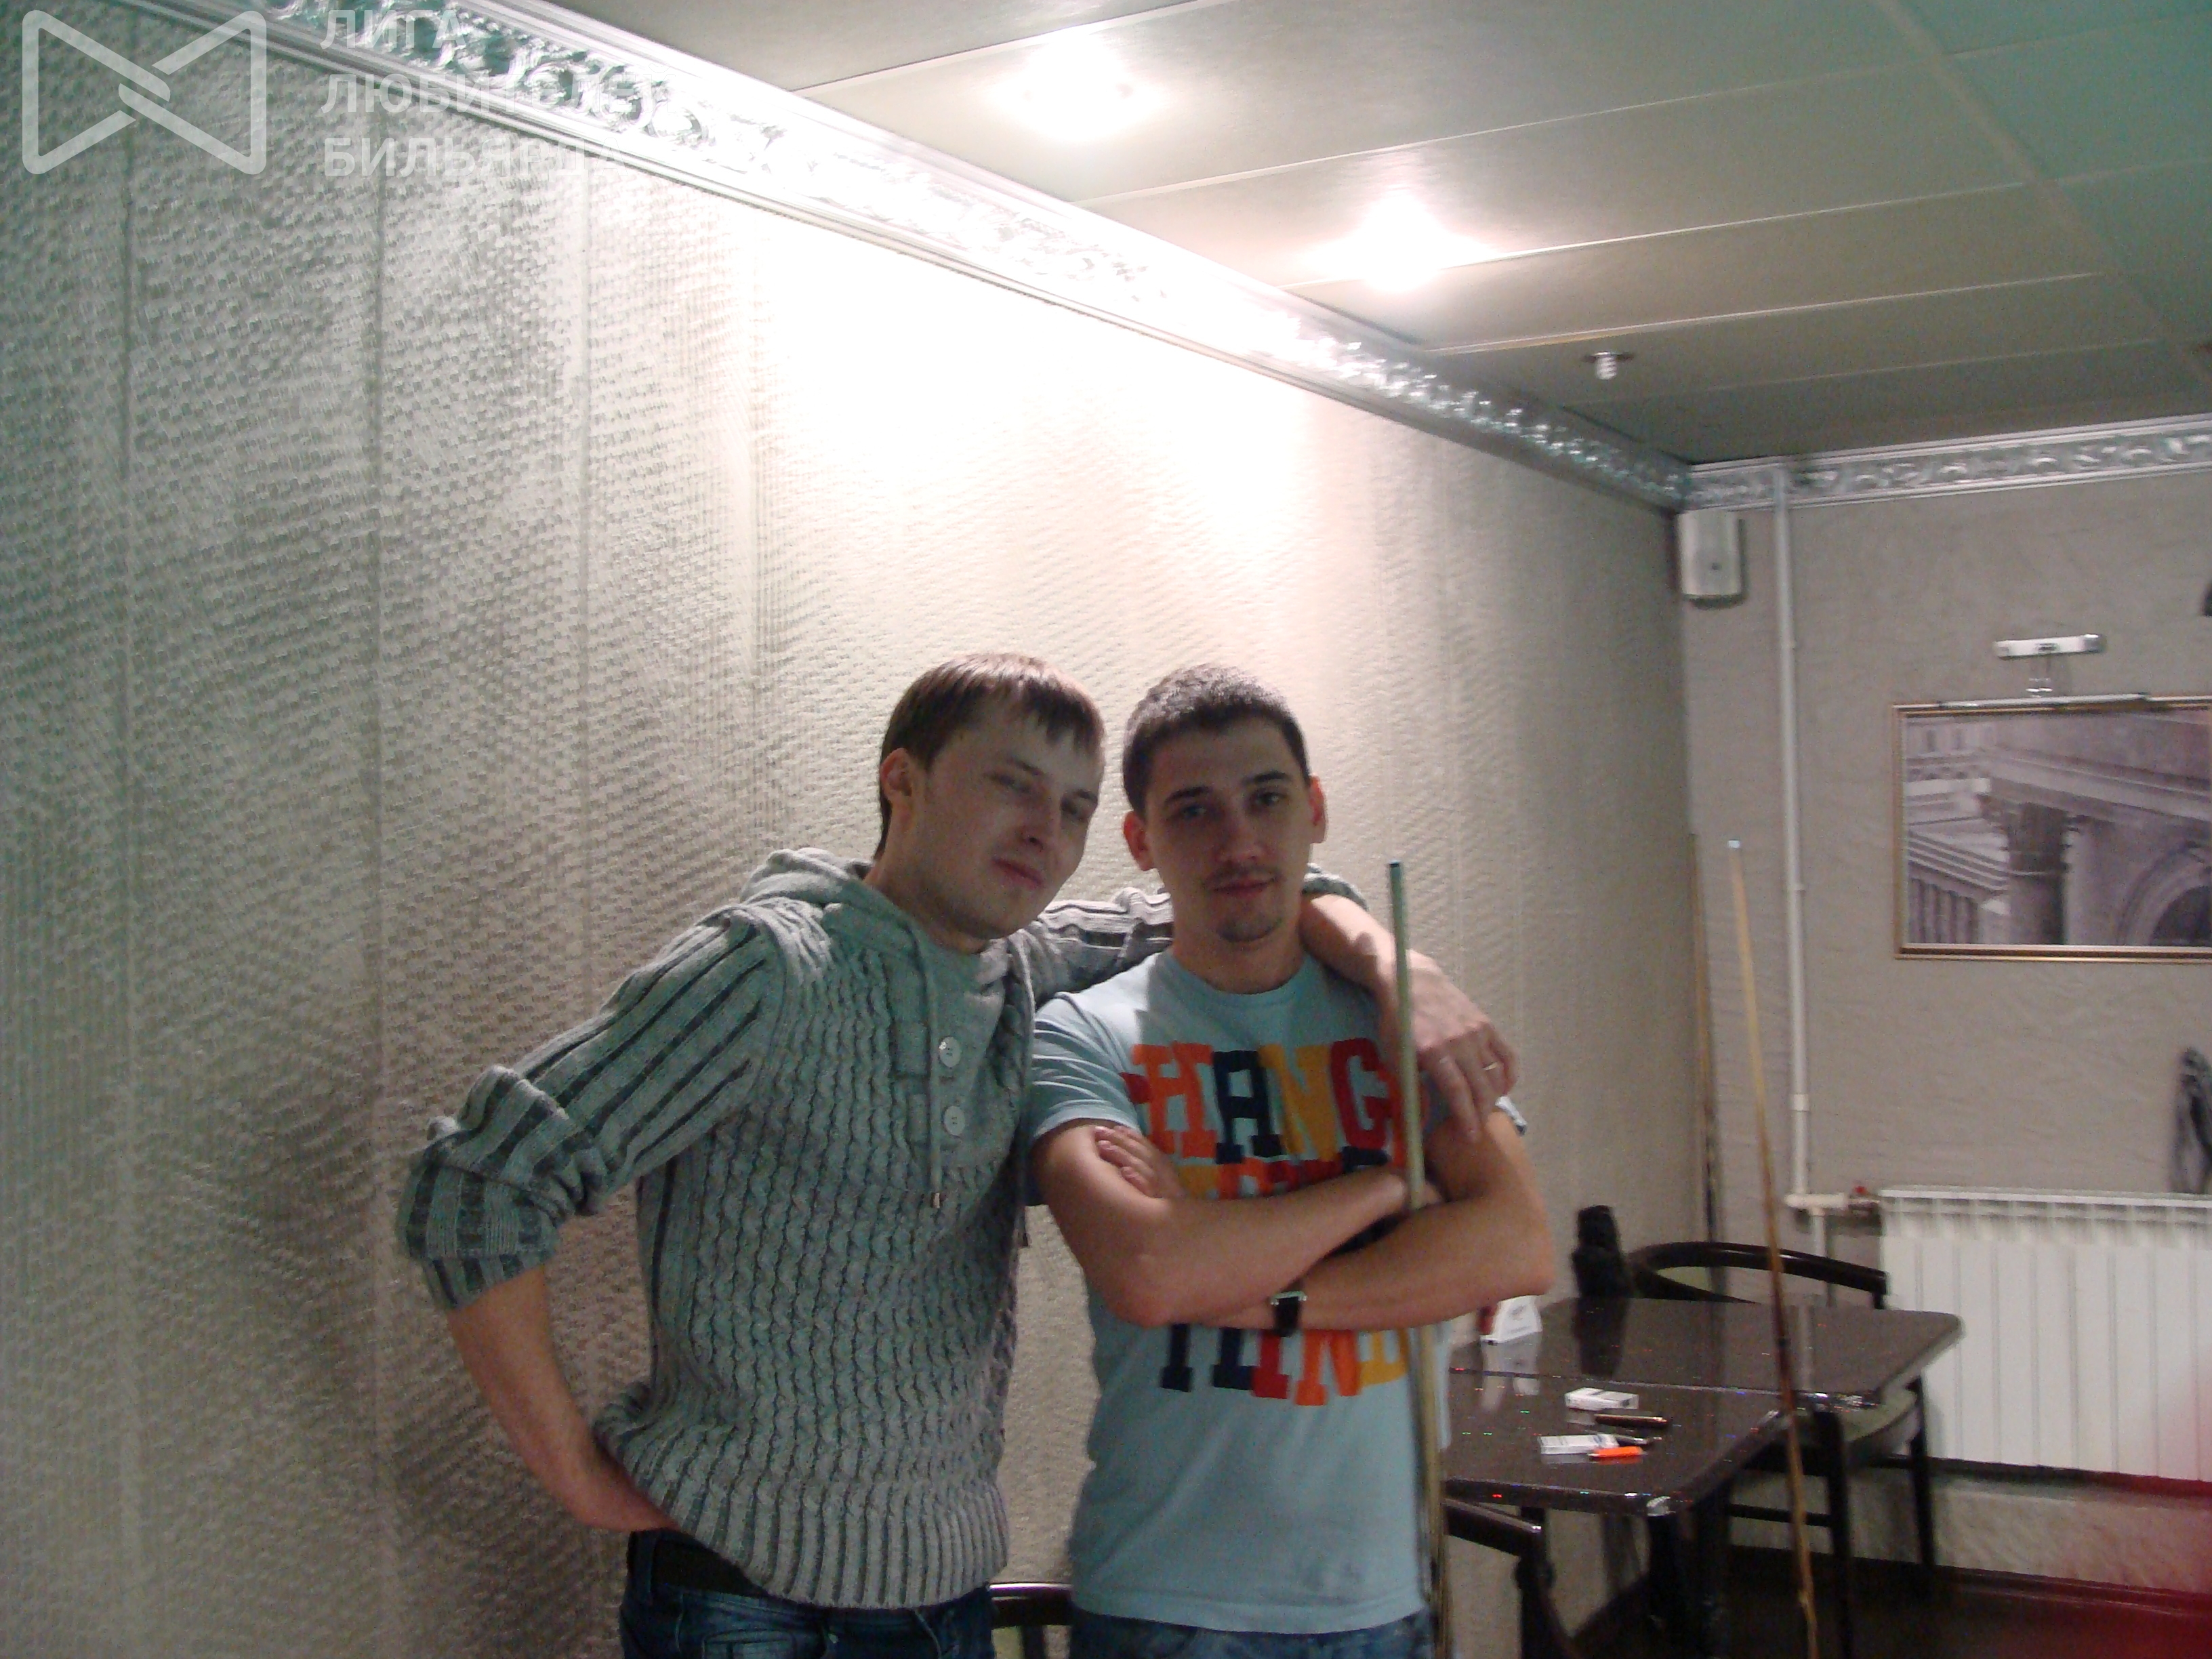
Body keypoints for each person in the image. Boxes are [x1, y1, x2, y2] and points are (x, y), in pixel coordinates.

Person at [395, 653, 1518, 1659]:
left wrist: (1396, 965)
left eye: (1073, 807)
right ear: (904, 782)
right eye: (1011, 786)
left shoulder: (1024, 973)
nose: (1045, 832)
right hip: (740, 1599)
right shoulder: (769, 971)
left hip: (943, 1592)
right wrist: (578, 1476)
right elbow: (480, 1180)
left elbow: (1243, 888)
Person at [1023, 665, 1555, 1659]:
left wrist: (1249, 1285)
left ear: (1313, 810)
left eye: (1266, 799)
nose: (1238, 842)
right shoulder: (1083, 1033)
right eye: (1194, 811)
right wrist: (1389, 1187)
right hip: (1166, 1600)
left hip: (1380, 1595)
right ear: (1140, 841)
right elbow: (1151, 1271)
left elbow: (1515, 1246)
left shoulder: (1405, 1024)